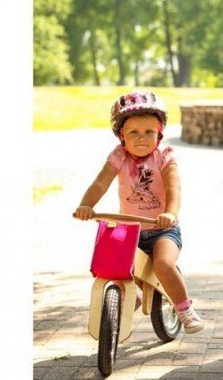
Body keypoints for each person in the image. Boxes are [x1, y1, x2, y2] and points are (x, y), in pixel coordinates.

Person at [74, 91, 204, 333]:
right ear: (121, 135)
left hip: (162, 229)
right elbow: (100, 183)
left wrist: (170, 214)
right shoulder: (119, 156)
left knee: (163, 264)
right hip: (130, 229)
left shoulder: (164, 156)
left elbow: (173, 188)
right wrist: (86, 205)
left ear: (159, 133)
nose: (142, 138)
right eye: (133, 132)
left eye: (149, 132)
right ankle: (129, 295)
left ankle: (185, 309)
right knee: (114, 263)